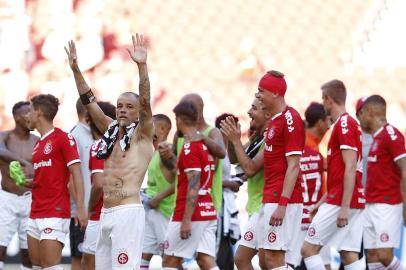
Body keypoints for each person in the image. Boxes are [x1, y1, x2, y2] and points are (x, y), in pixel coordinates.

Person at [65, 33, 154, 269]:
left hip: (127, 212)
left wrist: (142, 67)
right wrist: (76, 71)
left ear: (137, 112)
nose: (123, 110)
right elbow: (89, 102)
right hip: (105, 212)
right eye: (119, 106)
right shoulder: (111, 130)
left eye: (129, 107)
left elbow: (145, 102)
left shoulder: (143, 134)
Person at [223, 70, 305, 269]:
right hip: (267, 200)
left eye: (261, 91)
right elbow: (244, 163)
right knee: (243, 258)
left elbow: (293, 166)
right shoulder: (275, 123)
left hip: (281, 200)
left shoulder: (291, 119)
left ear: (275, 93)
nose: (257, 95)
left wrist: (283, 204)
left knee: (273, 261)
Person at [301, 80, 365, 270]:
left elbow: (351, 166)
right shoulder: (345, 125)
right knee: (348, 254)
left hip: (342, 201)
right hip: (347, 197)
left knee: (308, 249)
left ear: (329, 100)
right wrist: (320, 203)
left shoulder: (344, 125)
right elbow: (341, 174)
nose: (323, 104)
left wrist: (344, 207)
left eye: (323, 99)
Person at [26, 94, 87, 270]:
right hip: (35, 210)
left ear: (38, 112)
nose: (27, 116)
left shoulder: (63, 138)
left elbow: (76, 173)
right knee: (37, 266)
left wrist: (81, 208)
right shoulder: (38, 144)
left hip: (55, 211)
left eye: (30, 111)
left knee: (50, 266)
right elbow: (49, 176)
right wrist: (30, 182)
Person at [162, 101, 219, 270]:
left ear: (179, 120)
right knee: (205, 260)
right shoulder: (204, 145)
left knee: (170, 261)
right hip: (207, 209)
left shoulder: (189, 148)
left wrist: (186, 220)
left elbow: (193, 184)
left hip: (190, 213)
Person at [358, 95, 406, 270]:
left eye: (361, 113)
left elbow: (405, 169)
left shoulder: (391, 135)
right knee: (372, 257)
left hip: (387, 205)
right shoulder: (376, 138)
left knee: (385, 257)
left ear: (370, 112)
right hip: (371, 205)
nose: (360, 118)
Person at [222, 97, 270, 270]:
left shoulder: (270, 140)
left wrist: (235, 140)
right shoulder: (258, 138)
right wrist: (230, 139)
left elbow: (249, 169)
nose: (249, 112)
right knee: (246, 260)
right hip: (256, 206)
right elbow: (236, 159)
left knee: (264, 262)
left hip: (266, 207)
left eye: (254, 108)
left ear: (267, 113)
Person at [159, 93, 226, 214]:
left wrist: (201, 138)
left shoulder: (212, 133)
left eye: (190, 107)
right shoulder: (179, 135)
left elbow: (220, 155)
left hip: (206, 204)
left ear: (200, 108)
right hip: (181, 203)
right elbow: (173, 169)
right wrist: (165, 156)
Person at [285, 102, 331, 269]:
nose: (330, 125)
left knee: (290, 262)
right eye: (328, 121)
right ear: (320, 122)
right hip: (315, 213)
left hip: (298, 214)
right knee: (321, 260)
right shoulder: (313, 151)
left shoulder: (298, 149)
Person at [0, 101, 38, 270]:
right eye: (26, 113)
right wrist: (22, 161)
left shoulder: (38, 140)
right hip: (7, 199)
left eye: (32, 112)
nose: (31, 116)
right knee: (0, 247)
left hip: (30, 199)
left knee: (28, 251)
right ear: (16, 117)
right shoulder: (4, 136)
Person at [82, 101, 117, 270]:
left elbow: (98, 184)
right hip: (124, 211)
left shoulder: (99, 145)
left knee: (89, 262)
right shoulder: (124, 144)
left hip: (101, 213)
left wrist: (89, 208)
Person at [141, 114, 176, 269]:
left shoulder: (165, 151)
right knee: (143, 253)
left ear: (161, 129)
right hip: (152, 210)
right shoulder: (154, 152)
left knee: (169, 258)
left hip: (165, 211)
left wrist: (158, 198)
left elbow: (180, 180)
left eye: (151, 125)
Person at [214, 113, 241, 270]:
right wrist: (229, 183)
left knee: (226, 249)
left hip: (225, 204)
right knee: (219, 250)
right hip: (217, 204)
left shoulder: (228, 148)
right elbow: (208, 177)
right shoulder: (216, 148)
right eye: (235, 127)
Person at [69, 98, 93, 270]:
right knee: (80, 259)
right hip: (82, 212)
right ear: (87, 110)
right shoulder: (75, 135)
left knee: (94, 258)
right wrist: (80, 208)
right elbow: (70, 177)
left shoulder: (93, 134)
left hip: (95, 208)